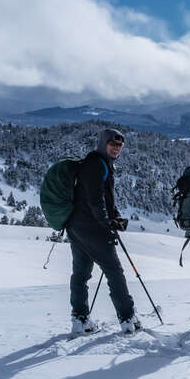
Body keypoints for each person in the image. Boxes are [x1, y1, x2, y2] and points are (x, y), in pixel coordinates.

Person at [68, 129, 139, 334]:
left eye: (119, 146)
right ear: (102, 143)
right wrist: (107, 224)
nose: (116, 148)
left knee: (81, 274)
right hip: (92, 229)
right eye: (112, 144)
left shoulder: (100, 163)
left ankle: (80, 319)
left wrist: (114, 217)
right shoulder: (96, 165)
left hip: (77, 227)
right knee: (115, 272)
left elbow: (105, 199)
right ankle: (127, 318)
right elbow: (95, 200)